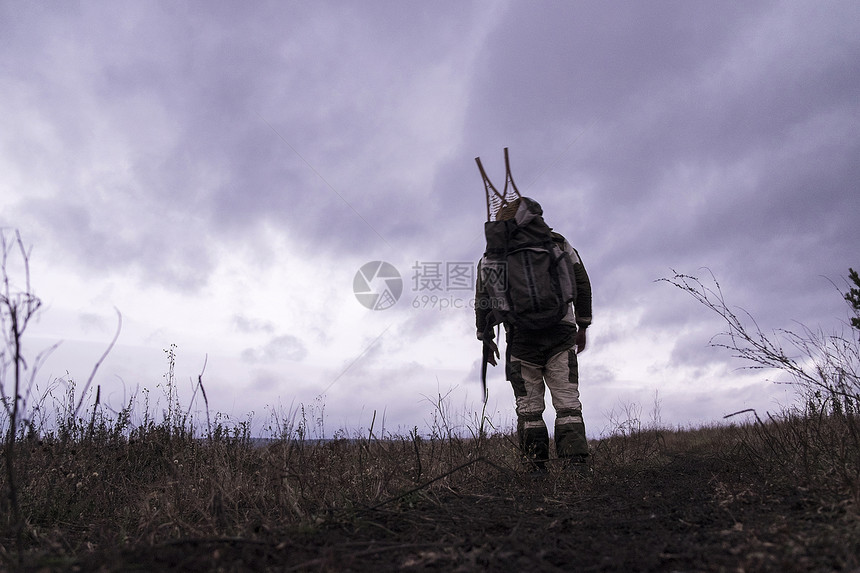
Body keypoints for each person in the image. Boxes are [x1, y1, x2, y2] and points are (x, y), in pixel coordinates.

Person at [476, 197, 593, 474]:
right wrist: (583, 325)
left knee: (529, 408)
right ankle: (576, 466)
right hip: (561, 331)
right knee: (567, 401)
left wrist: (486, 336)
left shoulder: (492, 256)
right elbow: (581, 283)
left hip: (520, 338)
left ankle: (535, 468)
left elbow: (483, 299)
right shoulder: (558, 243)